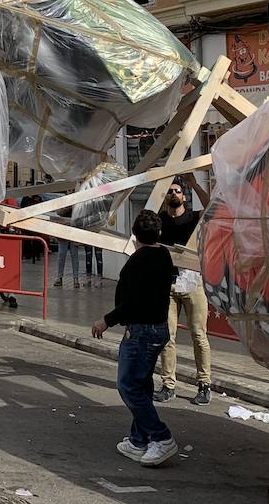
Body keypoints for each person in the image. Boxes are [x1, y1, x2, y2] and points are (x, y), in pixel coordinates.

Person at [92, 210, 178, 467]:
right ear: (158, 234)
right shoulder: (163, 256)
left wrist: (106, 320)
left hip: (142, 331)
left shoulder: (139, 261)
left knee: (128, 385)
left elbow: (131, 303)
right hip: (157, 329)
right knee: (142, 385)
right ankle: (139, 439)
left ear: (134, 235)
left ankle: (161, 437)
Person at [155, 173, 213, 405]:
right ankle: (168, 385)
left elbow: (211, 207)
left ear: (184, 197)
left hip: (193, 282)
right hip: (167, 284)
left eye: (177, 191)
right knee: (167, 336)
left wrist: (194, 184)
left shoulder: (192, 218)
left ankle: (204, 384)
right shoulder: (159, 219)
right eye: (169, 191)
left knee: (199, 335)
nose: (173, 194)